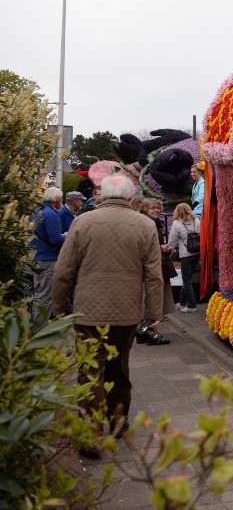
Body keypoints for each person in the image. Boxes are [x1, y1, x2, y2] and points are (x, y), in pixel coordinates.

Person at [51, 174, 164, 457]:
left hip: (88, 311)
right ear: (129, 197)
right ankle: (118, 422)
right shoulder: (145, 225)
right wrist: (152, 313)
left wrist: (61, 308)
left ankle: (90, 435)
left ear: (102, 195)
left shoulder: (83, 222)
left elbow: (63, 271)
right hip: (126, 311)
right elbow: (153, 275)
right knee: (119, 367)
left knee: (90, 372)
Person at [29, 187, 65, 324]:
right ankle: (39, 330)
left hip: (33, 255)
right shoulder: (51, 214)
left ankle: (31, 325)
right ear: (56, 200)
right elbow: (55, 239)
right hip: (46, 258)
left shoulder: (36, 211)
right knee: (44, 295)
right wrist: (67, 237)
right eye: (60, 199)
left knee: (34, 294)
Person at [143, 198, 177, 319]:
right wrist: (161, 248)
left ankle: (156, 316)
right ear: (146, 209)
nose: (156, 210)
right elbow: (145, 245)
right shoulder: (147, 223)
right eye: (153, 208)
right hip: (153, 263)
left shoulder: (156, 222)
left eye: (158, 208)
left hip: (160, 261)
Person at [168, 203, 201, 312]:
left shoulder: (177, 224)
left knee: (186, 280)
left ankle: (191, 306)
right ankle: (182, 303)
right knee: (188, 279)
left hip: (186, 254)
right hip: (196, 252)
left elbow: (172, 241)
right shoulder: (196, 221)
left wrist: (169, 249)